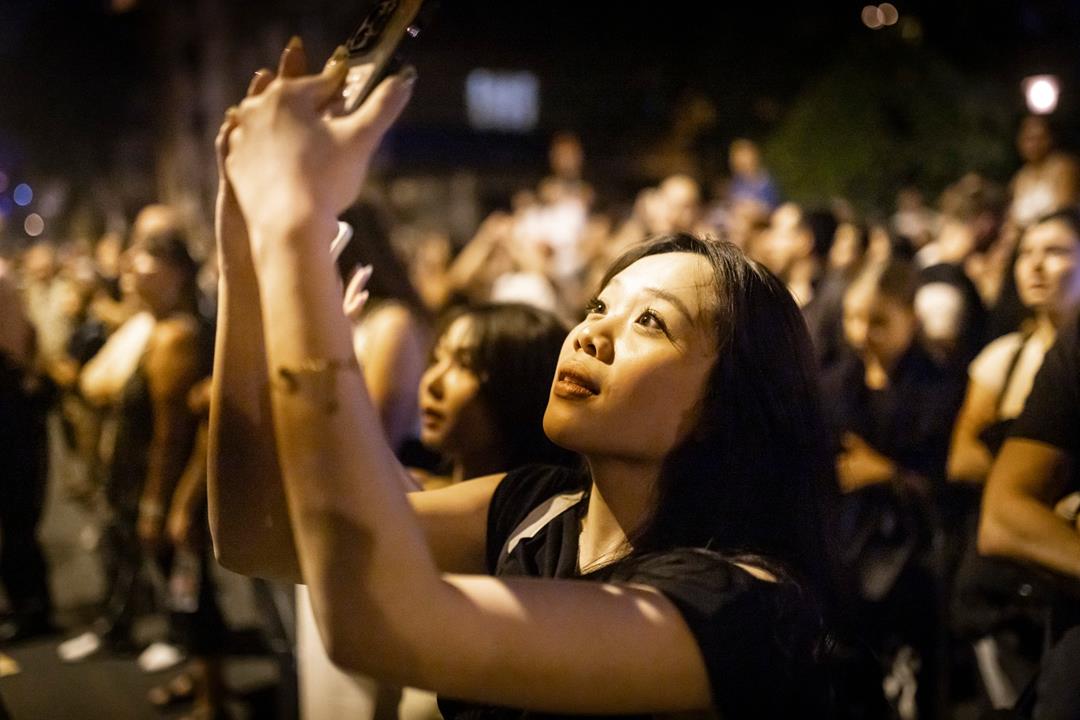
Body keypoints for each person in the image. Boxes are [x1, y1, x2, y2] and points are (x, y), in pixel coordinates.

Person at [209, 39, 833, 718]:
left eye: (651, 322)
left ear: (727, 402)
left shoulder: (736, 600)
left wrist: (293, 227)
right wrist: (242, 261)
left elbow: (382, 623)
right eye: (598, 306)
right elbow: (255, 535)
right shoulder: (534, 506)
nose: (590, 332)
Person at [415, 302, 577, 489]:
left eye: (465, 364)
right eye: (437, 358)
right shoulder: (420, 488)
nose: (432, 382)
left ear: (520, 393)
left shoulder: (530, 515)